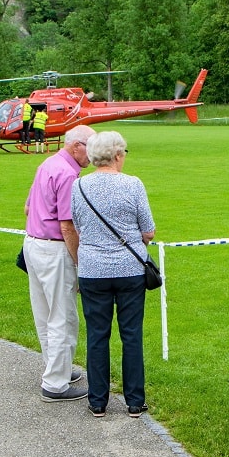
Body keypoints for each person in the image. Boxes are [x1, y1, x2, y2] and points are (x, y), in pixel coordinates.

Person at [70, 131, 154, 418]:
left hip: (93, 270)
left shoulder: (79, 186)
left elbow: (78, 226)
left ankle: (97, 401)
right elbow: (148, 231)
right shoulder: (133, 185)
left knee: (97, 335)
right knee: (131, 334)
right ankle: (134, 400)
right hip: (130, 269)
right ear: (118, 155)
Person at [24, 124, 94, 402]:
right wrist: (79, 263)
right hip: (54, 249)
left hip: (34, 243)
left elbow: (28, 207)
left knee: (44, 312)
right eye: (90, 148)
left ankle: (58, 368)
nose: (92, 155)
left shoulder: (48, 163)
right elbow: (68, 226)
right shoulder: (67, 175)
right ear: (76, 146)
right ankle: (55, 383)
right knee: (62, 316)